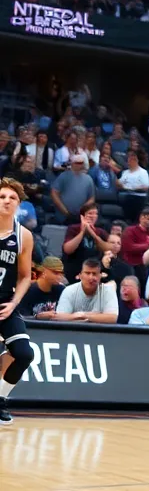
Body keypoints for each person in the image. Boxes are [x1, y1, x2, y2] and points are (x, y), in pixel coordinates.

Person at [0, 178, 35, 425]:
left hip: (5, 305)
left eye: (12, 198)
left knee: (24, 354)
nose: (6, 201)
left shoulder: (23, 236)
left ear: (18, 204)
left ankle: (0, 398)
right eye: (2, 197)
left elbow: (25, 277)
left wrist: (14, 303)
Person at [52, 258, 119, 323]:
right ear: (80, 276)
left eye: (94, 274)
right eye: (87, 273)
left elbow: (113, 318)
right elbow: (60, 317)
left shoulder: (108, 291)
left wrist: (83, 315)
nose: (91, 277)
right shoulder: (69, 290)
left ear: (100, 276)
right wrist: (98, 317)